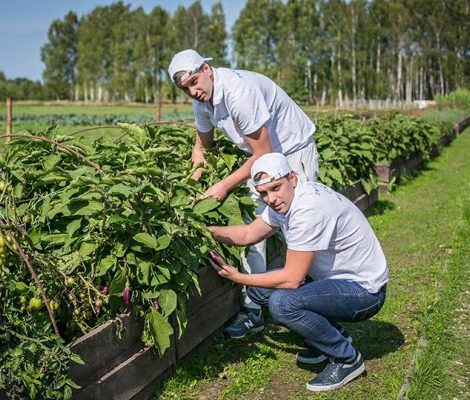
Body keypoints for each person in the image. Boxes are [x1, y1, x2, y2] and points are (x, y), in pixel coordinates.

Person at [168, 49, 320, 339]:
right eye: (185, 88)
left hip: (292, 152)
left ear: (207, 69)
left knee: (299, 227)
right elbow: (202, 148)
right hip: (260, 161)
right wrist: (189, 189)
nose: (193, 91)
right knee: (251, 229)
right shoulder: (202, 101)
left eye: (195, 81)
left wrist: (224, 185)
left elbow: (264, 152)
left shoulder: (239, 92)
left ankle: (313, 306)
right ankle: (253, 310)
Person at [207, 152, 389, 392]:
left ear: (291, 178)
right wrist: (206, 230)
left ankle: (346, 359)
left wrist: (238, 277)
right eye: (263, 193)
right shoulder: (288, 199)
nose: (270, 199)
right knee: (261, 291)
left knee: (282, 303)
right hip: (337, 281)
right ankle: (329, 338)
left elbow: (292, 279)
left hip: (365, 292)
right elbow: (249, 234)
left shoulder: (307, 210)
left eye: (275, 188)